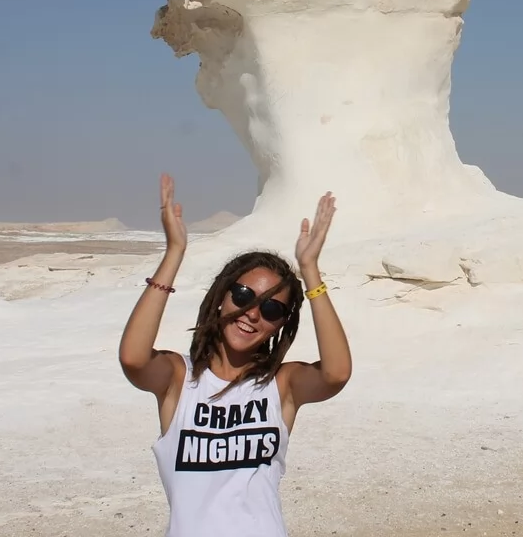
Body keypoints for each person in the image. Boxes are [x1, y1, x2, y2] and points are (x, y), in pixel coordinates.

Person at [119, 174, 352, 536]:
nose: (253, 314)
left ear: (281, 325)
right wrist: (174, 254)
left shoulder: (280, 384)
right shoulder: (180, 379)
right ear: (221, 297)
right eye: (243, 296)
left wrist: (310, 272)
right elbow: (133, 358)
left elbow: (336, 373)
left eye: (272, 309)